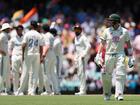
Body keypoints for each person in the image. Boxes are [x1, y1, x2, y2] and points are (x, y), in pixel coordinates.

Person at [95, 14, 133, 101]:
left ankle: (119, 94)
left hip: (120, 54)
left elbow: (129, 45)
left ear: (116, 22)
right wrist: (98, 54)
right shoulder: (106, 31)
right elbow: (102, 44)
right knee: (107, 75)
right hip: (109, 55)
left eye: (111, 21)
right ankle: (107, 93)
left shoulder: (124, 31)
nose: (109, 22)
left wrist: (131, 56)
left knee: (120, 74)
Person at [16, 21, 43, 95]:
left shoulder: (27, 34)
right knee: (35, 73)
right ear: (36, 26)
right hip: (36, 54)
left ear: (31, 26)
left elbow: (23, 45)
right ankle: (32, 91)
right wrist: (41, 57)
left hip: (28, 54)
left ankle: (20, 91)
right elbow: (41, 47)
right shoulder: (39, 35)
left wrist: (23, 55)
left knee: (25, 72)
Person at [41, 27, 60, 95]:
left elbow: (47, 46)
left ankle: (48, 91)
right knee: (52, 73)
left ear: (43, 30)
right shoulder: (51, 35)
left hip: (48, 55)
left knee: (46, 73)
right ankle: (56, 90)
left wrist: (43, 55)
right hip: (53, 54)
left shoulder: (46, 35)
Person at [73, 24, 91, 95]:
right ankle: (82, 89)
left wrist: (84, 54)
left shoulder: (83, 37)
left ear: (80, 30)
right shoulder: (75, 38)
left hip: (83, 57)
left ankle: (82, 91)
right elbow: (77, 48)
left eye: (77, 29)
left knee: (82, 73)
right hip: (78, 56)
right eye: (75, 29)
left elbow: (88, 46)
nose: (76, 30)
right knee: (79, 73)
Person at [9, 25, 24, 94]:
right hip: (15, 56)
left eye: (21, 29)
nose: (19, 31)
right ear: (16, 30)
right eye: (18, 29)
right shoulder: (13, 39)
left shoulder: (25, 38)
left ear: (22, 30)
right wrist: (10, 58)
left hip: (23, 57)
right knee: (15, 74)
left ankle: (21, 90)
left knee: (24, 74)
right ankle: (15, 90)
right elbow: (9, 49)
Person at [0, 23, 11, 95]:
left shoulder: (5, 35)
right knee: (1, 74)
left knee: (5, 73)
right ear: (5, 29)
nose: (10, 29)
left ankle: (5, 89)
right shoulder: (2, 35)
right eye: (8, 28)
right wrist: (1, 51)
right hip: (2, 56)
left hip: (5, 56)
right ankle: (2, 90)